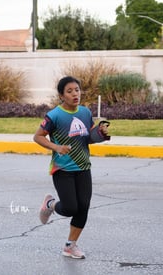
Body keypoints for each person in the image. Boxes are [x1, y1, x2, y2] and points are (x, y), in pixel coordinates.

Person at [33, 76, 110, 259]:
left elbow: (88, 138)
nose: (75, 94)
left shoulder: (84, 112)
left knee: (83, 207)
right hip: (63, 169)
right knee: (69, 208)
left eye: (77, 90)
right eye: (69, 91)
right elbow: (38, 137)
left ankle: (70, 246)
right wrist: (57, 147)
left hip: (83, 167)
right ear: (61, 95)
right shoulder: (54, 116)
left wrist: (100, 134)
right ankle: (50, 204)